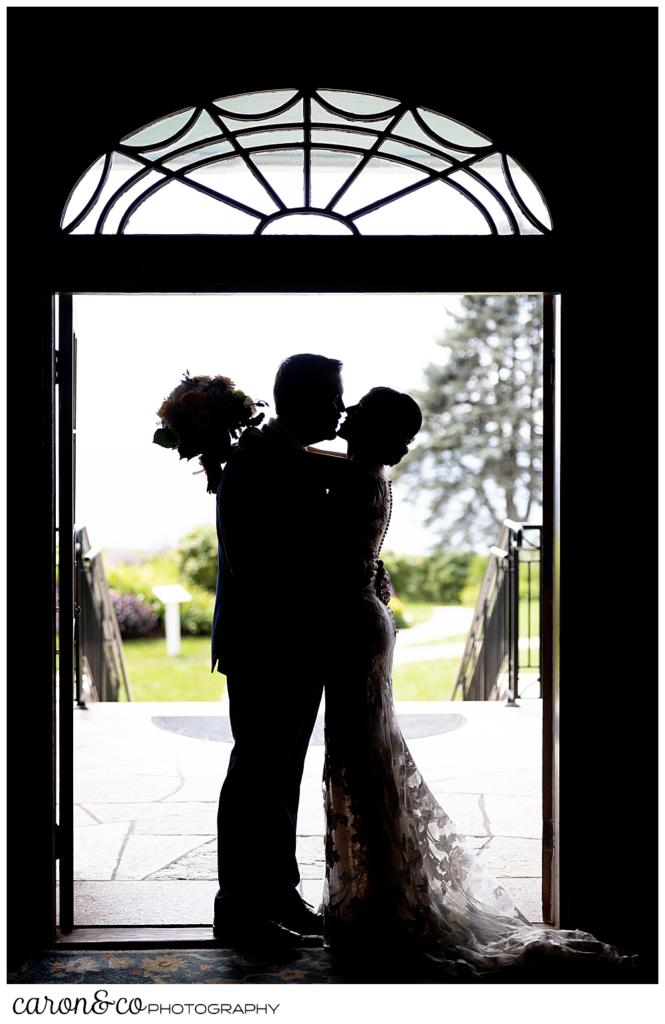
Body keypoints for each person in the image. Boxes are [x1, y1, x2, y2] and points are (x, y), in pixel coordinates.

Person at [314, 386, 637, 981]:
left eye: (357, 406)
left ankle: (381, 901)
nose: (346, 412)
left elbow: (320, 554)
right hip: (364, 619)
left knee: (361, 763)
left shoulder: (354, 479)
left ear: (371, 425)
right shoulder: (366, 473)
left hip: (351, 625)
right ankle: (379, 891)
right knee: (369, 760)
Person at [210, 353, 346, 949]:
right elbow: (257, 565)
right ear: (303, 398)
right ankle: (239, 906)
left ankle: (277, 892)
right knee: (256, 775)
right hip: (268, 643)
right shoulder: (258, 462)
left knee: (279, 774)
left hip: (293, 644)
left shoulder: (287, 455)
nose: (341, 410)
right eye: (334, 397)